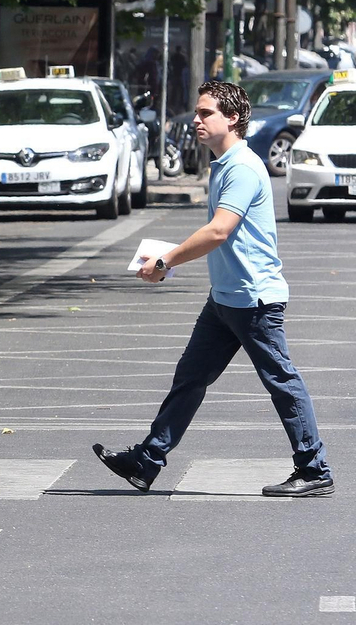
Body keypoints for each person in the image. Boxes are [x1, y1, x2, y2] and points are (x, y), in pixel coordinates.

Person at [94, 80, 332, 497]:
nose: (198, 120)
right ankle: (147, 461)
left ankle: (314, 469)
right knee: (189, 379)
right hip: (226, 298)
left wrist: (167, 260)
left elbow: (220, 231)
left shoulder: (241, 167)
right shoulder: (224, 164)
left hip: (254, 299)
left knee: (282, 382)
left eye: (206, 114)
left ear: (233, 118)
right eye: (199, 112)